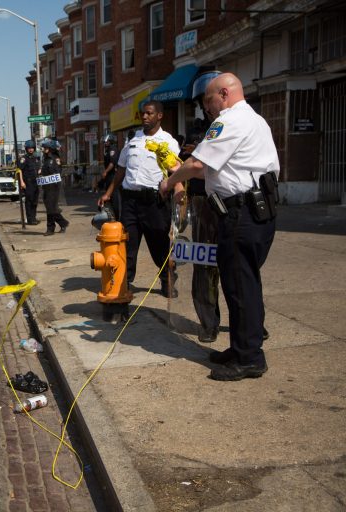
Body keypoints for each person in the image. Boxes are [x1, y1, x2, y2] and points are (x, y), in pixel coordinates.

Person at [159, 72, 279, 381]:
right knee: (242, 285)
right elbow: (211, 167)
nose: (205, 107)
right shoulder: (254, 120)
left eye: (208, 100)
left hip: (242, 215)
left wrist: (171, 179)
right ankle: (242, 348)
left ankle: (250, 358)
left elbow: (199, 165)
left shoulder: (230, 120)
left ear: (224, 94)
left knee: (241, 288)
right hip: (254, 212)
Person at [98, 101, 182, 297]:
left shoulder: (168, 142)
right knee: (127, 245)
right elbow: (121, 169)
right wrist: (108, 193)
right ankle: (123, 283)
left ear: (159, 116)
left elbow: (176, 171)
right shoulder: (133, 140)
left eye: (149, 113)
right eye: (142, 113)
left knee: (160, 244)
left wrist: (175, 188)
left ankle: (167, 280)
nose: (144, 117)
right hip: (129, 202)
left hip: (154, 202)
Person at [184, 72, 222, 343]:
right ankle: (208, 323)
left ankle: (252, 321)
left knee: (241, 267)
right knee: (204, 265)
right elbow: (188, 164)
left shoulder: (239, 125)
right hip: (203, 203)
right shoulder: (198, 130)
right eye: (203, 102)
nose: (207, 107)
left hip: (234, 204)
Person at [40, 139, 69, 235]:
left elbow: (57, 173)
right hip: (46, 187)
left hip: (54, 187)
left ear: (50, 148)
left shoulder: (55, 159)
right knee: (50, 208)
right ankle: (63, 223)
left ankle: (51, 228)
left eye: (45, 147)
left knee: (51, 208)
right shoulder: (46, 159)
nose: (43, 149)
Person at [17, 139, 41, 225]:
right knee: (29, 201)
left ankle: (34, 218)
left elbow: (38, 169)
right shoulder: (23, 159)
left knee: (35, 201)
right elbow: (19, 170)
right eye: (29, 148)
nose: (31, 149)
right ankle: (30, 219)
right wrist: (22, 182)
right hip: (28, 182)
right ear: (26, 149)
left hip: (36, 182)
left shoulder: (36, 158)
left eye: (32, 148)